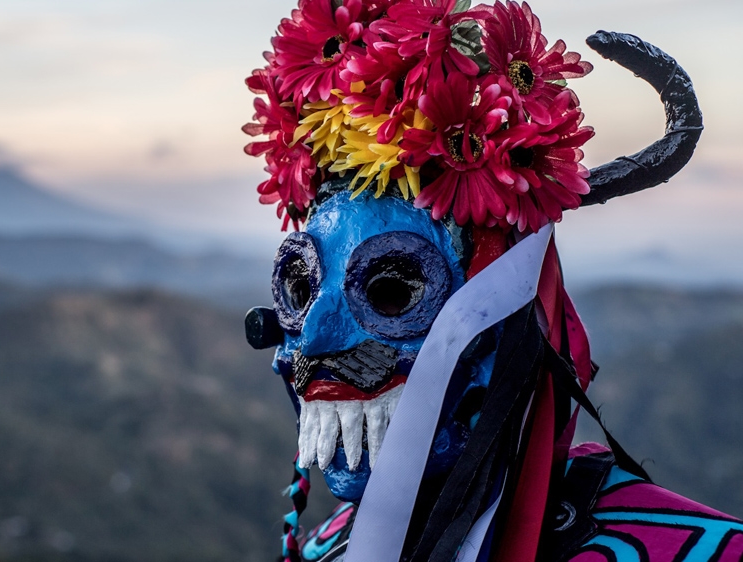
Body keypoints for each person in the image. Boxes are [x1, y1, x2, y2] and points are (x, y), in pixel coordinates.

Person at [242, 1, 741, 560]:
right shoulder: (321, 548)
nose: (312, 341)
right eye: (298, 290)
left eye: (393, 292)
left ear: (505, 328)